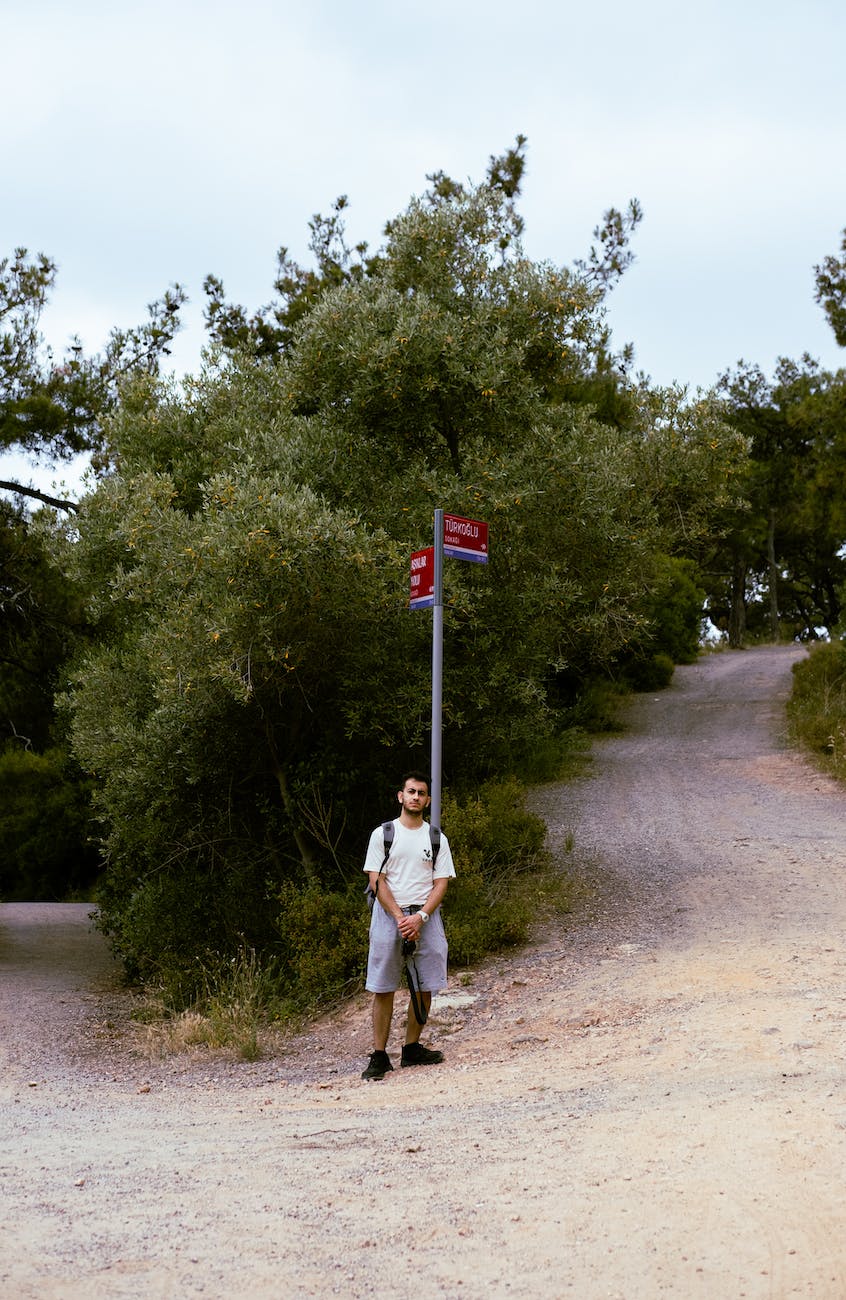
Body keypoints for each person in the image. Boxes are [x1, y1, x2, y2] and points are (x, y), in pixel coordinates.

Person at [361, 771, 456, 1081]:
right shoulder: (383, 834)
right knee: (383, 986)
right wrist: (401, 917)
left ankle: (412, 1048)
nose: (416, 797)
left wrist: (421, 918)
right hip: (390, 917)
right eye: (411, 792)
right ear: (400, 796)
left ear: (427, 800)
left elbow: (441, 883)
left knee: (426, 983)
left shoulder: (436, 838)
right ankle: (379, 1056)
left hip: (425, 917)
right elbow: (376, 879)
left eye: (422, 793)